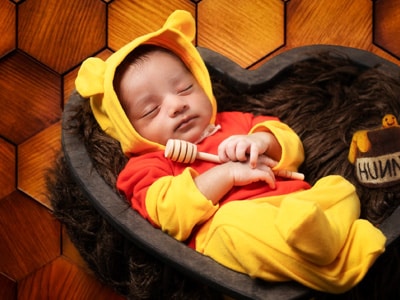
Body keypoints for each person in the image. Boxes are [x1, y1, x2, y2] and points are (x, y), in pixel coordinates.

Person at [75, 10, 386, 293]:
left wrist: (263, 142)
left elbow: (291, 145)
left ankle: (321, 236)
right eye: (151, 109)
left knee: (339, 187)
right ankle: (332, 258)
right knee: (235, 228)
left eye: (185, 88)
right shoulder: (146, 165)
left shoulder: (233, 121)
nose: (176, 105)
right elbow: (167, 213)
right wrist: (225, 176)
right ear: (128, 129)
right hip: (233, 224)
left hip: (295, 202)